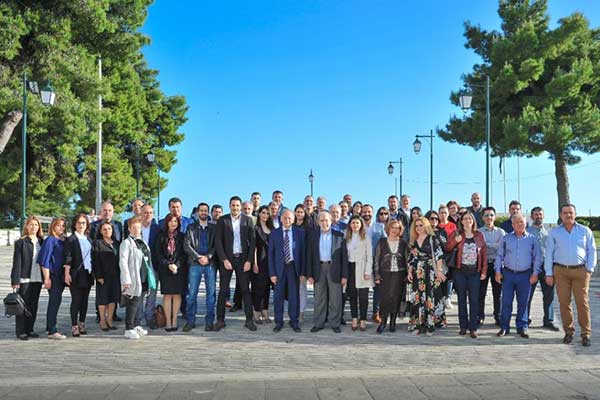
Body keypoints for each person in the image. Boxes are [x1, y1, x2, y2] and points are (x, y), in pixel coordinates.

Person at [545, 204, 597, 347]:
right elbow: (549, 253)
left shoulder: (585, 231)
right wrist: (549, 273)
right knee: (564, 302)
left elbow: (592, 250)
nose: (568, 215)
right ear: (561, 215)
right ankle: (569, 332)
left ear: (575, 214)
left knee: (582, 302)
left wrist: (589, 269)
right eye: (565, 213)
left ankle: (586, 333)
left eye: (571, 212)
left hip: (581, 271)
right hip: (561, 271)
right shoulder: (554, 232)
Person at [495, 213, 542, 339]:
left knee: (523, 302)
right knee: (506, 302)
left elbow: (537, 258)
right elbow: (499, 256)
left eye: (521, 222)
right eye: (516, 222)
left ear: (526, 223)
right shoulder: (506, 238)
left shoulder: (532, 239)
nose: (519, 224)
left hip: (525, 275)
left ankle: (522, 327)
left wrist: (535, 273)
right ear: (512, 225)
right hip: (508, 274)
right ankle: (504, 327)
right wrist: (498, 271)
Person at [214, 196, 257, 331]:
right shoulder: (223, 220)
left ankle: (249, 320)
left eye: (238, 205)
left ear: (240, 207)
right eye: (233, 205)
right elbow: (218, 241)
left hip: (243, 259)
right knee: (223, 290)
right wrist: (224, 259)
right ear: (229, 206)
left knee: (245, 290)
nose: (235, 208)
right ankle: (220, 320)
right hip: (227, 259)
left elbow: (252, 242)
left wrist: (249, 260)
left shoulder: (248, 220)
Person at [446, 212, 487, 338]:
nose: (468, 221)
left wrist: (484, 271)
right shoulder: (457, 234)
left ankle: (473, 327)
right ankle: (463, 326)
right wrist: (455, 241)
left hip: (475, 272)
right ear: (461, 221)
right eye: (465, 219)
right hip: (460, 271)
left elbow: (484, 254)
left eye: (470, 218)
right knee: (461, 300)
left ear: (473, 221)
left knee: (474, 300)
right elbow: (447, 248)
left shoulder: (479, 235)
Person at [307, 211, 348, 333]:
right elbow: (309, 256)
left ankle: (335, 323)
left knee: (335, 298)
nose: (324, 223)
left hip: (334, 269)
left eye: (326, 220)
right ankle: (318, 323)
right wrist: (309, 274)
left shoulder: (339, 235)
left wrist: (344, 275)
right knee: (319, 298)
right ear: (318, 222)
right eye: (322, 220)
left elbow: (344, 257)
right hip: (318, 269)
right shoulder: (313, 236)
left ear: (331, 221)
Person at [407, 217, 445, 336]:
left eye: (421, 225)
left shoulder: (432, 239)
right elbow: (412, 259)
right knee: (417, 298)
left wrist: (439, 271)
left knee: (430, 297)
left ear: (426, 226)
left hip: (430, 272)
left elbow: (439, 256)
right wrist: (409, 272)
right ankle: (418, 325)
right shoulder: (414, 241)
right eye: (416, 226)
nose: (418, 228)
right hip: (418, 273)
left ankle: (430, 326)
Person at [269, 210, 306, 332]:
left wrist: (302, 272)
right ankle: (278, 322)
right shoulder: (274, 233)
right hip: (279, 269)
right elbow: (271, 255)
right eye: (285, 218)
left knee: (294, 296)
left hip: (293, 268)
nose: (287, 220)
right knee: (278, 296)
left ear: (293, 219)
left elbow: (303, 253)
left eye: (290, 218)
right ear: (281, 219)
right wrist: (272, 273)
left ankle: (294, 321)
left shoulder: (299, 232)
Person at [183, 202, 217, 332]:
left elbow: (216, 246)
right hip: (194, 264)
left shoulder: (213, 228)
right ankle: (190, 321)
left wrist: (208, 257)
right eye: (201, 210)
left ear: (208, 212)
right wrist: (198, 257)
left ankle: (209, 322)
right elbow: (186, 245)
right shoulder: (191, 227)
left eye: (205, 210)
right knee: (192, 294)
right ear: (197, 212)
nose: (203, 213)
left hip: (210, 264)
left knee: (211, 295)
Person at [120, 217, 155, 340]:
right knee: (132, 303)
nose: (136, 230)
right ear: (129, 228)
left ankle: (136, 325)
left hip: (143, 277)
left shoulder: (142, 242)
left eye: (138, 227)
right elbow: (123, 261)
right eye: (133, 227)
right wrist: (126, 279)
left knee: (139, 302)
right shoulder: (126, 243)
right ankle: (128, 328)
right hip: (133, 278)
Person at [10, 216, 44, 340]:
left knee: (33, 305)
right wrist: (15, 280)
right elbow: (17, 262)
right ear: (27, 226)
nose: (33, 227)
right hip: (24, 278)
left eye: (36, 225)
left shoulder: (42, 241)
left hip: (38, 278)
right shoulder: (21, 242)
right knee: (22, 305)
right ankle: (21, 331)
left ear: (39, 227)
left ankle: (30, 329)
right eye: (31, 224)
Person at [374, 219, 408, 334]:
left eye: (397, 228)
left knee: (396, 298)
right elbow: (376, 259)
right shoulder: (382, 242)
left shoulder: (403, 243)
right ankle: (383, 322)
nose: (395, 230)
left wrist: (408, 274)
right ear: (388, 228)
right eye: (393, 227)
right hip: (385, 273)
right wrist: (377, 275)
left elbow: (406, 260)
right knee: (385, 298)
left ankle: (393, 322)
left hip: (399, 273)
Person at [526, 206, 558, 331]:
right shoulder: (527, 231)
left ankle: (548, 320)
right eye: (536, 214)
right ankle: (525, 319)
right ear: (532, 216)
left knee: (549, 295)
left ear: (543, 216)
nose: (538, 216)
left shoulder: (550, 232)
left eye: (540, 214)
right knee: (527, 295)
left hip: (546, 267)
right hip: (531, 267)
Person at [64, 213, 94, 337]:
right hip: (76, 273)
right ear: (74, 224)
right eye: (79, 223)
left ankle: (82, 323)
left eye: (83, 223)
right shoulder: (71, 239)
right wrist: (67, 274)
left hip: (88, 273)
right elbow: (68, 257)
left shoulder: (89, 239)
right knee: (76, 300)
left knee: (85, 300)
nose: (81, 225)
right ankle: (74, 325)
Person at [155, 214, 186, 331]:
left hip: (179, 269)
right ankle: (168, 321)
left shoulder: (182, 236)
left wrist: (176, 265)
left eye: (176, 221)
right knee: (167, 295)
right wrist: (168, 264)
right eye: (171, 221)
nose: (173, 223)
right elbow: (158, 254)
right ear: (167, 223)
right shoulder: (161, 236)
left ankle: (174, 320)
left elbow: (184, 254)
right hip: (165, 269)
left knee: (177, 294)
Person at [39, 217, 67, 340]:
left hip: (60, 277)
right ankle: (52, 330)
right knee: (54, 302)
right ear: (53, 226)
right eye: (58, 225)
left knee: (56, 301)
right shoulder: (50, 240)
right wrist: (47, 278)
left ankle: (49, 327)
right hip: (53, 276)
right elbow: (44, 261)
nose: (61, 228)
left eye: (63, 226)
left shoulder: (61, 240)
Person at [345, 215, 373, 331]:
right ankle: (354, 318)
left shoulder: (366, 237)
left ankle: (363, 319)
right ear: (350, 225)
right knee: (352, 295)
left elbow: (369, 256)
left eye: (357, 223)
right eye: (353, 223)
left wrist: (368, 271)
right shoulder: (347, 237)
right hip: (350, 268)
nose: (355, 225)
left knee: (363, 296)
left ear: (361, 224)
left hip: (362, 268)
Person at [92, 221, 121, 332]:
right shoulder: (97, 243)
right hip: (103, 276)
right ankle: (102, 320)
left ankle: (110, 319)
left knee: (113, 298)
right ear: (100, 231)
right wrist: (98, 276)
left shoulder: (117, 243)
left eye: (109, 229)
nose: (107, 231)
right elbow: (95, 261)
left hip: (115, 275)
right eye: (104, 229)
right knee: (103, 299)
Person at [479, 206, 505, 326]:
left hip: (497, 265)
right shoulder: (479, 232)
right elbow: (480, 247)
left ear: (494, 217)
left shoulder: (501, 232)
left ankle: (498, 316)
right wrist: (494, 245)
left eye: (491, 215)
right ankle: (480, 316)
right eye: (486, 215)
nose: (489, 217)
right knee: (481, 292)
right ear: (483, 218)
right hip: (483, 265)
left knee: (497, 292)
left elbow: (502, 248)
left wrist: (487, 245)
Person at [425, 210, 449, 328]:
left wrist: (437, 236)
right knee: (427, 294)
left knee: (439, 294)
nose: (434, 221)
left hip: (439, 267)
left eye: (436, 218)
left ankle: (439, 319)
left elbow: (446, 247)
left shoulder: (441, 232)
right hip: (425, 268)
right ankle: (427, 318)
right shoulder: (422, 232)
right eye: (431, 218)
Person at [252, 205, 274, 324]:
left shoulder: (272, 229)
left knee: (267, 289)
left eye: (267, 213)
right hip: (259, 262)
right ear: (259, 214)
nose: (265, 215)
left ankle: (265, 312)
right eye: (263, 212)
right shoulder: (255, 228)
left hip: (270, 263)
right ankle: (256, 312)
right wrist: (254, 264)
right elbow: (254, 248)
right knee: (258, 289)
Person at [140, 204, 161, 329]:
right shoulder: (135, 227)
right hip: (139, 265)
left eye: (150, 213)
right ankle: (138, 318)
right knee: (139, 292)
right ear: (140, 214)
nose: (148, 215)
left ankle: (149, 317)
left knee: (152, 292)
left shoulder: (157, 229)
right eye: (145, 212)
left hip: (153, 265)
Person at [370, 207, 389, 322]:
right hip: (375, 259)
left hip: (387, 260)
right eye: (381, 213)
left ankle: (383, 311)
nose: (383, 216)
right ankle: (375, 312)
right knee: (377, 287)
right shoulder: (375, 227)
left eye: (385, 213)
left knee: (385, 287)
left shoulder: (392, 226)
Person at [438, 204, 457, 309]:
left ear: (448, 214)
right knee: (441, 276)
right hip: (440, 254)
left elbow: (455, 238)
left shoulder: (452, 225)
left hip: (450, 254)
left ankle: (447, 297)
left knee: (450, 277)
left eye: (445, 213)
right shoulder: (437, 226)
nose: (443, 215)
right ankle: (441, 297)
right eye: (441, 213)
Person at [294, 204, 311, 319]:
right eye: (298, 212)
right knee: (293, 289)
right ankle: (294, 311)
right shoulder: (291, 226)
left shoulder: (308, 228)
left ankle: (301, 312)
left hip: (303, 261)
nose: (299, 214)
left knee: (302, 289)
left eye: (301, 212)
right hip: (292, 262)